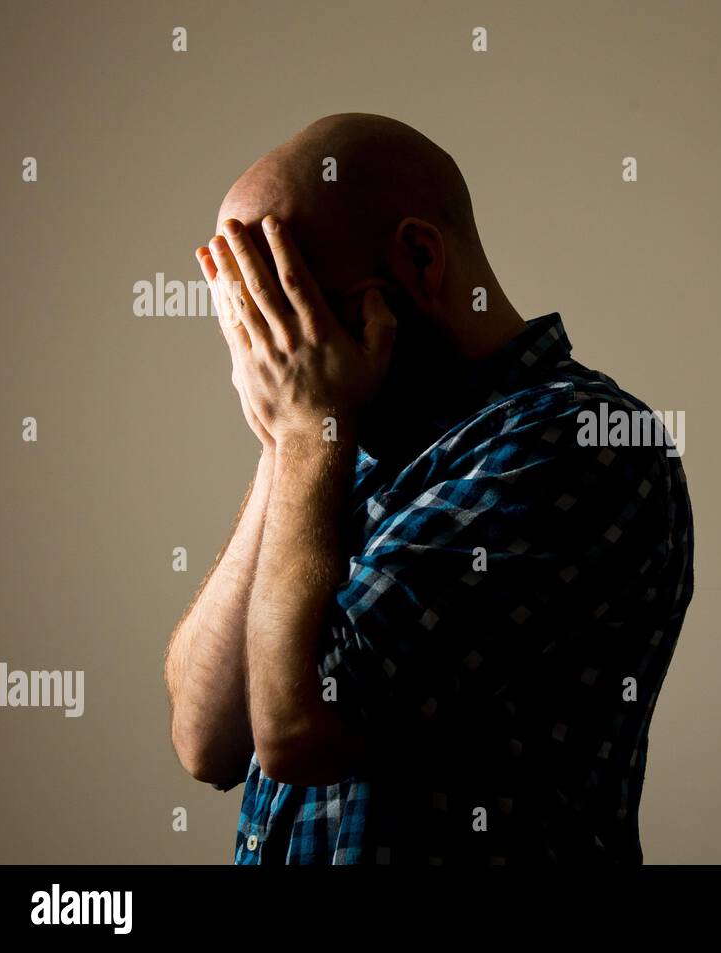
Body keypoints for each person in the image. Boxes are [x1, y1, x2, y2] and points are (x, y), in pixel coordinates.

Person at [162, 113, 694, 864]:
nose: (278, 354)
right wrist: (291, 439)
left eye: (294, 310)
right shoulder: (334, 444)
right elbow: (204, 739)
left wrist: (306, 427)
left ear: (418, 257)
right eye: (256, 325)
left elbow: (297, 731)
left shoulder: (578, 441)